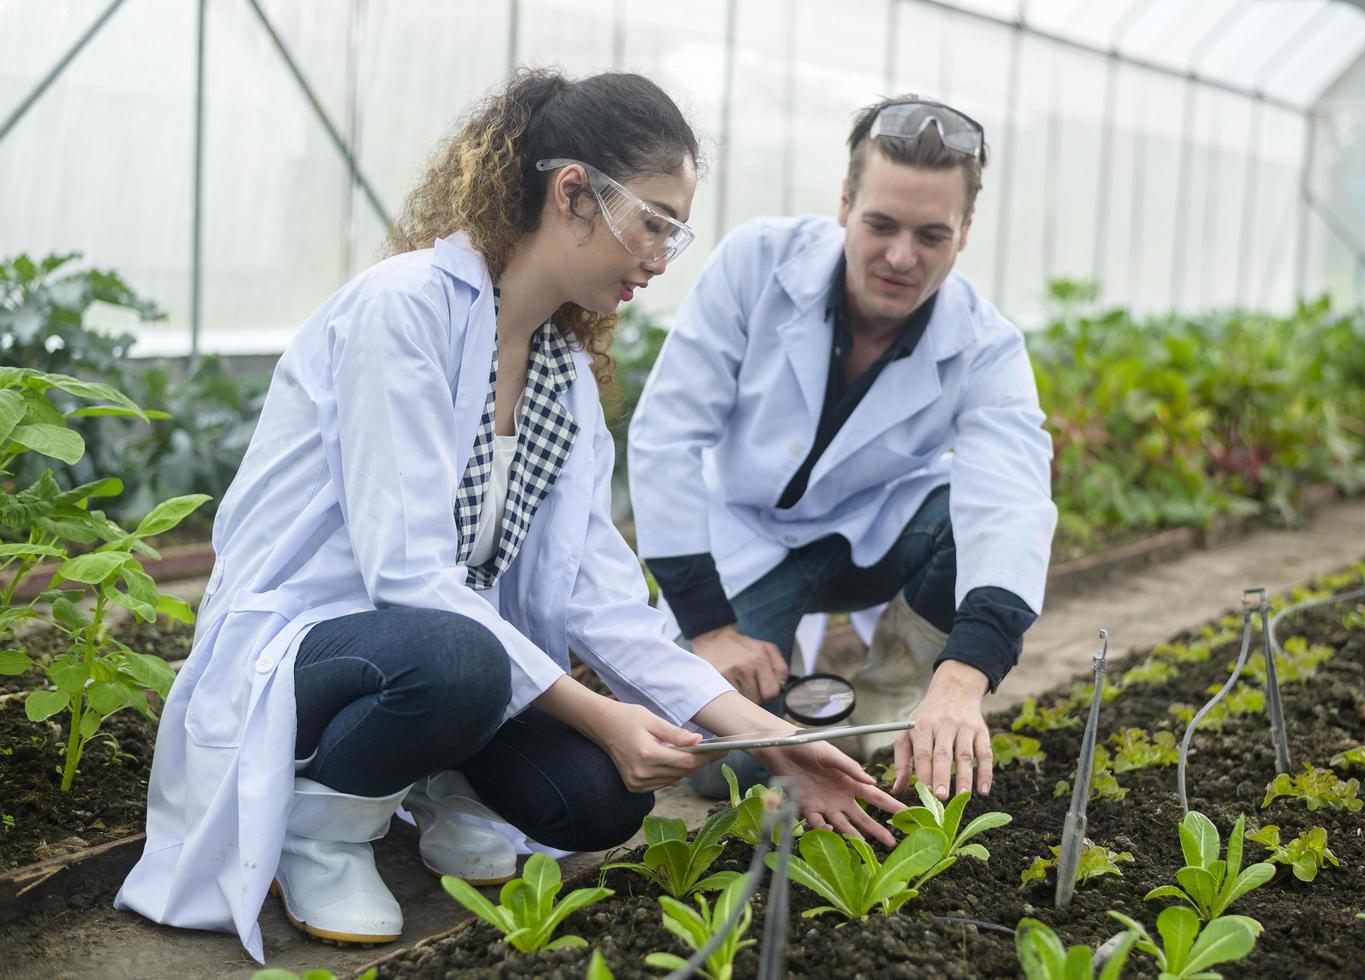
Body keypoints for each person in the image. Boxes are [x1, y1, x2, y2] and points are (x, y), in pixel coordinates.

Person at [115, 70, 901, 964]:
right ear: (573, 193)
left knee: (601, 800)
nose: (660, 255)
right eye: (655, 220)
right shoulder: (404, 309)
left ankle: (431, 774)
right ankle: (321, 825)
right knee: (460, 659)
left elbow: (598, 599)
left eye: (675, 232)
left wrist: (767, 737)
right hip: (316, 647)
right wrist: (599, 714)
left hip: (447, 662)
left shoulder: (560, 373)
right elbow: (405, 576)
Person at [627, 96, 1056, 806]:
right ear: (845, 203)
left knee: (964, 514)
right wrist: (709, 630)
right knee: (716, 765)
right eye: (880, 225)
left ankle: (891, 704)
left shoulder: (985, 345)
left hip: (872, 537)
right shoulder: (756, 264)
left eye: (930, 236)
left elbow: (1010, 505)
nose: (899, 257)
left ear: (965, 230)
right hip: (745, 534)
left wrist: (961, 678)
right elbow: (667, 434)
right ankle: (796, 697)